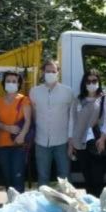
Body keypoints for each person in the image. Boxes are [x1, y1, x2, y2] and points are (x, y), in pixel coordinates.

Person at [29, 59, 75, 187]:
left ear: (58, 72)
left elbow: (71, 117)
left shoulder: (68, 91)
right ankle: (43, 205)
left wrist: (71, 140)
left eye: (53, 71)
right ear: (43, 72)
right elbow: (32, 116)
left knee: (65, 178)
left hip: (62, 142)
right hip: (41, 141)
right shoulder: (34, 92)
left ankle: (68, 204)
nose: (50, 74)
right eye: (47, 71)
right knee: (43, 177)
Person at [70, 70, 106, 196]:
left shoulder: (105, 99)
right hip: (80, 143)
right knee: (87, 178)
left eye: (94, 81)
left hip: (97, 142)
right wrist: (71, 141)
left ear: (99, 82)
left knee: (98, 178)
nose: (91, 83)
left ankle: (99, 205)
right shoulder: (78, 99)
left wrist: (103, 139)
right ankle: (91, 205)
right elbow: (72, 121)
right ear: (84, 83)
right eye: (88, 81)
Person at [0, 71, 32, 194]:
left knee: (18, 178)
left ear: (18, 83)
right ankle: (11, 207)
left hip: (18, 145)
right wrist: (7, 128)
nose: (11, 83)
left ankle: (19, 207)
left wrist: (21, 136)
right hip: (2, 145)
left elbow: (28, 121)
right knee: (7, 179)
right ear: (4, 83)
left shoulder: (24, 99)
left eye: (14, 81)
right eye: (8, 81)